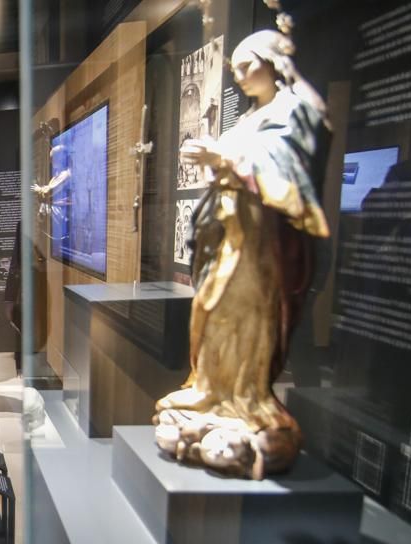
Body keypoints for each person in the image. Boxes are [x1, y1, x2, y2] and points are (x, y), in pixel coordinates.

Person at [155, 29, 331, 479]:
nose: (239, 77)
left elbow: (284, 172)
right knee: (210, 313)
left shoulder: (291, 110)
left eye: (246, 65)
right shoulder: (251, 117)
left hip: (259, 247)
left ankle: (245, 399)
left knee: (246, 317)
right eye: (233, 70)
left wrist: (223, 159)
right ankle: (211, 393)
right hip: (231, 236)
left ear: (272, 62)